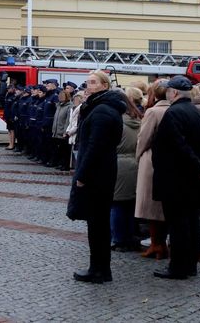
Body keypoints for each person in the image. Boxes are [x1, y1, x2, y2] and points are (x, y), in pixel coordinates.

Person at [69, 71, 126, 284]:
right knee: (97, 223)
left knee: (97, 224)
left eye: (93, 82)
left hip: (97, 175)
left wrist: (82, 175)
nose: (88, 85)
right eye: (88, 82)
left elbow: (95, 146)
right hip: (102, 171)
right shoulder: (100, 107)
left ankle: (99, 270)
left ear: (104, 85)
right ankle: (99, 268)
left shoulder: (102, 110)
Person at [152, 76, 200, 280]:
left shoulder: (174, 113)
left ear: (174, 93)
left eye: (169, 90)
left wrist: (198, 166)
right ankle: (191, 263)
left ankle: (178, 266)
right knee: (191, 221)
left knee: (178, 224)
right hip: (191, 176)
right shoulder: (196, 112)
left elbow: (178, 145)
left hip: (176, 177)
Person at [135, 79, 170, 260]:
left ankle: (157, 244)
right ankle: (161, 243)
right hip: (169, 161)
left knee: (150, 206)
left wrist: (138, 156)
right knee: (162, 207)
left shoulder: (153, 112)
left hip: (151, 160)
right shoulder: (173, 109)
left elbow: (144, 139)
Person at [110, 89, 143, 252]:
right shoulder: (136, 118)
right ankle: (128, 235)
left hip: (119, 163)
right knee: (128, 204)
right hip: (134, 163)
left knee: (116, 204)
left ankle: (117, 238)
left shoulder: (117, 121)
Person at [50, 89, 72, 171]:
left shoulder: (69, 107)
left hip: (62, 132)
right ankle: (60, 163)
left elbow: (67, 120)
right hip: (56, 131)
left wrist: (65, 132)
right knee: (58, 150)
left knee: (64, 150)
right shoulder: (58, 105)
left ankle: (65, 165)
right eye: (60, 96)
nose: (60, 97)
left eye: (62, 96)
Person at [3, 85, 17, 150]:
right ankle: (10, 143)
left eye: (9, 89)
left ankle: (12, 145)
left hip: (11, 116)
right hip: (8, 116)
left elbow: (13, 108)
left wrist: (12, 117)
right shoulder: (8, 95)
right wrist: (5, 116)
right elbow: (6, 108)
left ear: (13, 89)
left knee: (12, 130)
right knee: (9, 130)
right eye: (8, 89)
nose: (8, 90)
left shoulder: (14, 97)